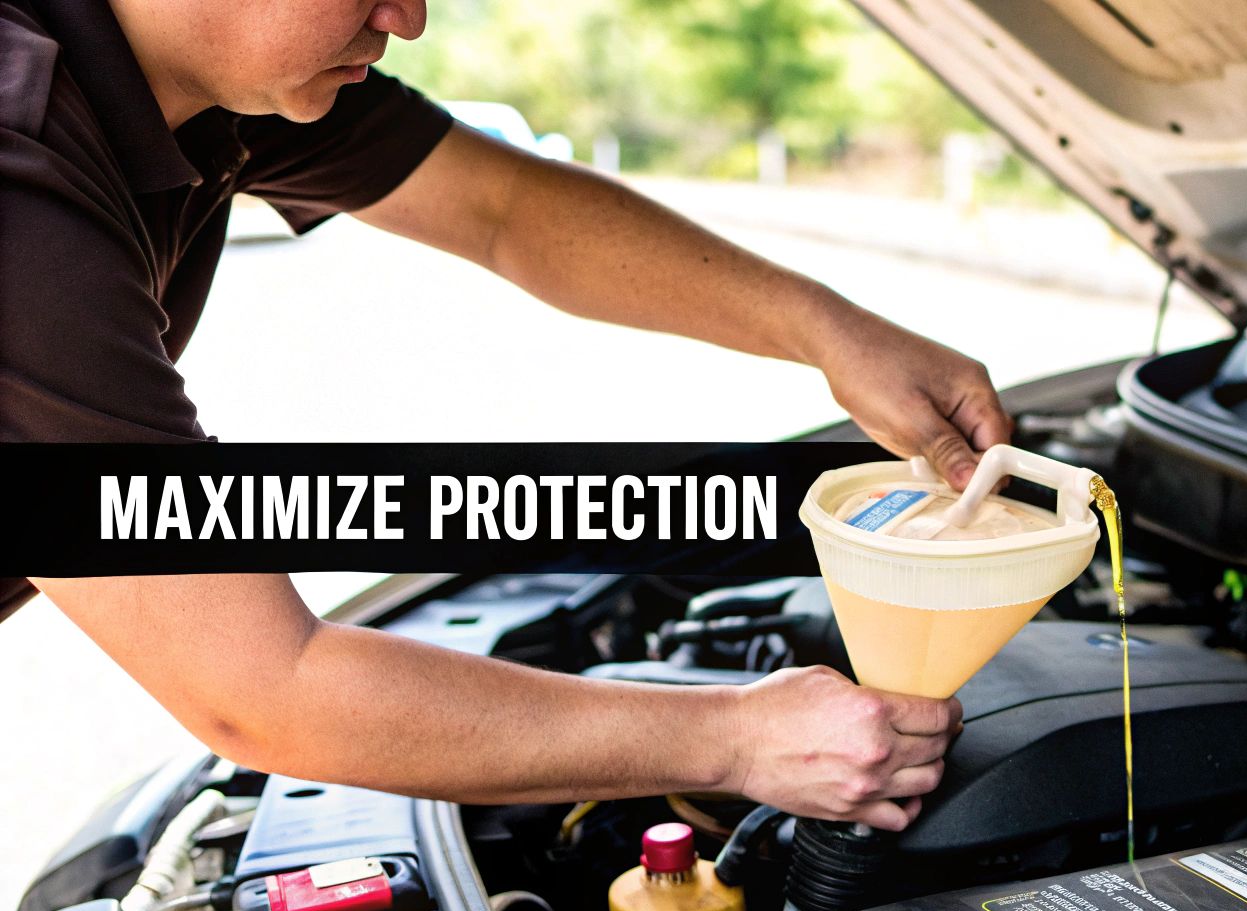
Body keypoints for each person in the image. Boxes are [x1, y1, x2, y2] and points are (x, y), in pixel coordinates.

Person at [0, 0, 1013, 830]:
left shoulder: (216, 73)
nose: (408, 17)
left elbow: (506, 210)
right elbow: (265, 688)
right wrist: (739, 738)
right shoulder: (18, 179)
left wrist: (834, 335)